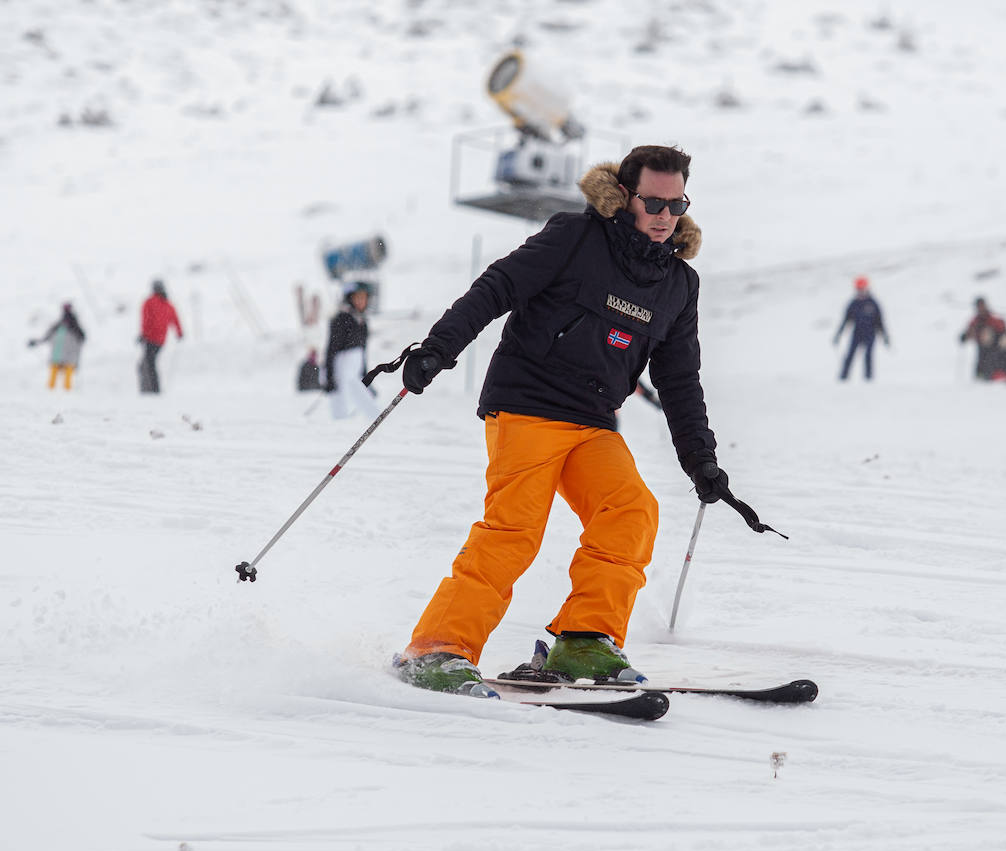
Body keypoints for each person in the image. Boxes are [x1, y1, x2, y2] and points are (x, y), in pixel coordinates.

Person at [391, 144, 758, 697]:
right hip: (527, 404)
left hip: (593, 421)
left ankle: (584, 639)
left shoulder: (679, 285)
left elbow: (680, 381)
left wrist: (700, 459)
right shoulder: (575, 237)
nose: (664, 216)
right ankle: (436, 648)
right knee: (514, 528)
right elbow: (497, 287)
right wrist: (439, 349)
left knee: (631, 511)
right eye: (652, 202)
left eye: (676, 204)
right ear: (625, 196)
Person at [322, 281, 379, 420]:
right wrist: (329, 375)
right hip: (341, 368)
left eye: (364, 298)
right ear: (350, 299)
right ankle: (340, 426)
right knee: (341, 400)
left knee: (360, 393)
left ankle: (375, 419)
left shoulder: (362, 320)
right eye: (357, 297)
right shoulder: (341, 318)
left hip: (355, 368)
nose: (361, 301)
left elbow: (363, 353)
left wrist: (367, 380)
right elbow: (332, 348)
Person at [833, 276, 889, 381]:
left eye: (862, 288)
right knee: (849, 356)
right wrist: (838, 335)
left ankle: (868, 379)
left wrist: (885, 336)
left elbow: (880, 322)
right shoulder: (853, 303)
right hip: (857, 333)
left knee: (868, 356)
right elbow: (845, 321)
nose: (860, 291)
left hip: (870, 334)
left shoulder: (873, 303)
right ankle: (843, 378)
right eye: (858, 289)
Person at [958, 296, 1006, 381]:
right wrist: (965, 337)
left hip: (998, 347)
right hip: (985, 351)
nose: (981, 308)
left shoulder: (993, 318)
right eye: (979, 306)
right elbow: (969, 333)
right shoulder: (975, 321)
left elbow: (1004, 328)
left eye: (982, 306)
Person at [138, 279, 183, 393]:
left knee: (147, 364)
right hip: (161, 340)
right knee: (150, 363)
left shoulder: (149, 302)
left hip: (150, 338)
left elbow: (146, 319)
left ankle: (152, 389)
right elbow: (175, 319)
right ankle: (153, 388)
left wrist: (143, 334)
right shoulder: (168, 304)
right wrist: (179, 333)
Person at [29, 302, 86, 390]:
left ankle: (62, 389)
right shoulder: (64, 325)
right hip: (62, 354)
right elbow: (47, 336)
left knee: (64, 370)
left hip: (64, 353)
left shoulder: (69, 325)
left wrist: (38, 342)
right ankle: (55, 389)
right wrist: (37, 342)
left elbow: (82, 338)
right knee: (59, 369)